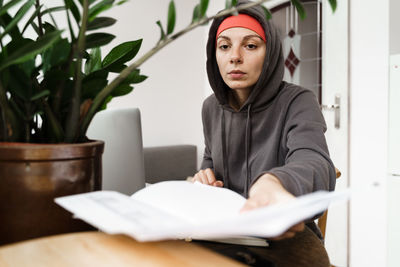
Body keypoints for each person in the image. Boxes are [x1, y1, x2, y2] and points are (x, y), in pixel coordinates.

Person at [192, 0, 336, 241]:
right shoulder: (210, 107)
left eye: (250, 45)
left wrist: (276, 182)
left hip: (283, 231)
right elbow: (210, 158)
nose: (234, 57)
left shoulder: (298, 101)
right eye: (224, 46)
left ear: (269, 53)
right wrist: (205, 175)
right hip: (226, 228)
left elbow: (315, 160)